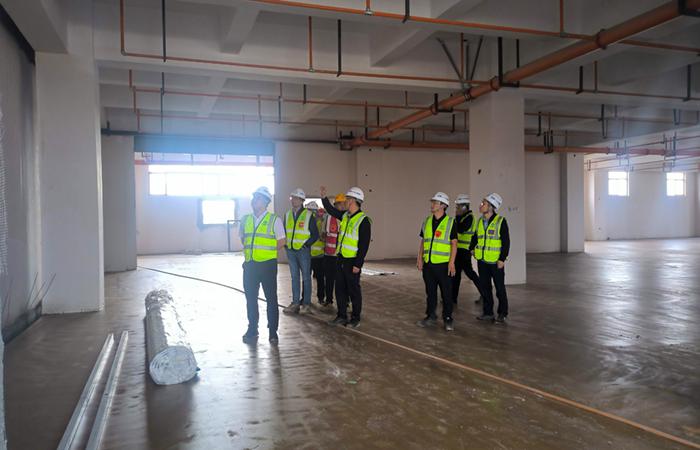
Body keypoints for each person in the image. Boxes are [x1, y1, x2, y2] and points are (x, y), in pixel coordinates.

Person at [239, 186, 286, 344]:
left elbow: (282, 241)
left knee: (271, 299)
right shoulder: (245, 219)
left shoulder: (274, 220)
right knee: (251, 299)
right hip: (250, 265)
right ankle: (252, 329)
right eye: (254, 197)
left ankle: (273, 332)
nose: (255, 200)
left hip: (267, 266)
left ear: (266, 202)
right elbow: (243, 238)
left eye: (258, 198)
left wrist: (267, 253)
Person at [320, 186, 371, 329]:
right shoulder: (345, 216)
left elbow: (364, 245)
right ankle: (341, 315)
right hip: (341, 258)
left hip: (352, 261)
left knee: (353, 290)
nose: (345, 201)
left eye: (347, 199)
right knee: (340, 289)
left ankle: (355, 318)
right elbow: (331, 210)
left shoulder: (363, 221)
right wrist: (323, 198)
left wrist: (358, 264)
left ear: (353, 200)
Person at [416, 192, 458, 331]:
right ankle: (431, 316)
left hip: (443, 265)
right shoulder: (427, 221)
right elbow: (423, 241)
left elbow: (454, 244)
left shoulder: (450, 222)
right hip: (428, 264)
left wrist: (451, 263)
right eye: (432, 202)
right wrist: (419, 258)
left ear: (443, 206)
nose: (432, 205)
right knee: (430, 292)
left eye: (435, 203)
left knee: (446, 293)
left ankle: (448, 318)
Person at [469, 193, 510, 324]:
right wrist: (471, 248)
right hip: (482, 261)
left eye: (484, 203)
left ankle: (502, 313)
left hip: (495, 262)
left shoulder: (500, 221)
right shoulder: (480, 221)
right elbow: (475, 237)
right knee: (485, 288)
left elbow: (506, 242)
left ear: (491, 207)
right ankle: (488, 313)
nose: (481, 205)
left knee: (499, 289)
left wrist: (502, 259)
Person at [282, 188, 319, 315]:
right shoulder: (287, 214)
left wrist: (306, 244)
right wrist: (286, 244)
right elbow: (284, 231)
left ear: (302, 200)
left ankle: (306, 304)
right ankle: (295, 303)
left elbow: (315, 235)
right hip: (291, 251)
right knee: (294, 278)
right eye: (292, 198)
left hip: (303, 252)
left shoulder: (308, 215)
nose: (293, 200)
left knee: (306, 278)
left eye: (296, 198)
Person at [452, 194, 484, 307]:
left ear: (465, 207)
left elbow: (460, 229)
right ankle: (453, 299)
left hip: (464, 251)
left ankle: (485, 294)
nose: (457, 209)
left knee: (470, 273)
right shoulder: (461, 217)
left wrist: (456, 218)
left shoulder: (469, 218)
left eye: (458, 206)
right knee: (456, 275)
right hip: (458, 250)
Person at [321, 194, 346, 307]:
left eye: (343, 204)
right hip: (328, 254)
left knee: (341, 280)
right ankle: (329, 299)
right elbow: (323, 233)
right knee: (329, 278)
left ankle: (345, 301)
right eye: (340, 204)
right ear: (335, 205)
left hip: (339, 255)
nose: (342, 206)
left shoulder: (345, 218)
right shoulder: (328, 217)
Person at [306, 201, 327, 306]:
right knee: (308, 278)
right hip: (308, 255)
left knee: (319, 278)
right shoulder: (307, 222)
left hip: (318, 255)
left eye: (312, 211)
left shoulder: (321, 222)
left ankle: (320, 298)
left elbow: (323, 236)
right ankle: (306, 298)